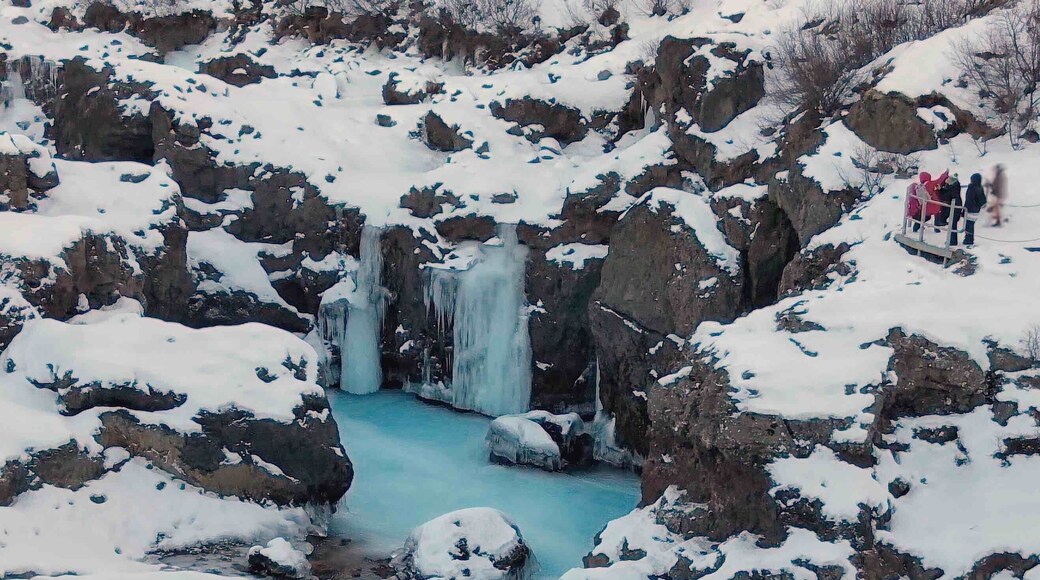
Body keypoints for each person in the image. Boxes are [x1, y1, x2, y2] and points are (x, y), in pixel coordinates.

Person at [964, 173, 986, 246]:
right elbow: (983, 201)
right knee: (970, 225)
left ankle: (968, 239)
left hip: (970, 209)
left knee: (969, 225)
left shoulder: (972, 188)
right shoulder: (980, 187)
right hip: (976, 210)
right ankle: (969, 239)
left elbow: (968, 199)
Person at [942, 173, 963, 246]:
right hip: (956, 205)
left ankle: (952, 241)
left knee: (953, 223)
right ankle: (952, 240)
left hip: (955, 206)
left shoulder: (953, 188)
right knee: (953, 223)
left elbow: (947, 196)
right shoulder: (956, 185)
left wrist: (943, 189)